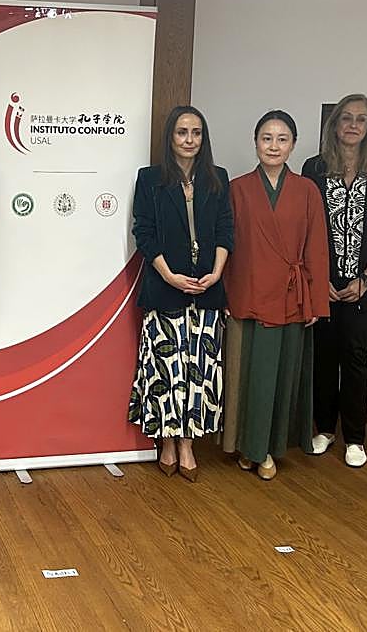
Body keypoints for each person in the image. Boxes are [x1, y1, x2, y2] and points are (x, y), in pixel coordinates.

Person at [221, 110, 330, 481]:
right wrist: (224, 293)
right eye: (266, 138)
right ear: (255, 143)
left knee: (279, 376)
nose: (273, 145)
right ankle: (246, 445)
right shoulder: (237, 188)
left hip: (290, 297)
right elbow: (227, 245)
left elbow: (317, 247)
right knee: (248, 375)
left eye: (282, 139)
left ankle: (266, 449)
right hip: (248, 292)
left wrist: (316, 299)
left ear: (294, 145)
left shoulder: (307, 190)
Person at [129, 106, 233, 482]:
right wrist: (169, 276)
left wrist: (217, 272)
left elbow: (226, 230)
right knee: (166, 369)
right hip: (165, 289)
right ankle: (167, 440)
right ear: (170, 137)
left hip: (207, 292)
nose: (190, 140)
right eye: (182, 133)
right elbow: (144, 233)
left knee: (198, 370)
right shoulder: (150, 179)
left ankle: (188, 442)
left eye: (196, 133)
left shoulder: (217, 178)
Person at [301, 95, 367, 468]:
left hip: (366, 284)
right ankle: (324, 429)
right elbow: (306, 227)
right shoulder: (314, 168)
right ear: (335, 125)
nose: (353, 125)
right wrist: (318, 278)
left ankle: (355, 437)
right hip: (323, 282)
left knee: (356, 356)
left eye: (361, 119)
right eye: (346, 118)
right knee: (323, 356)